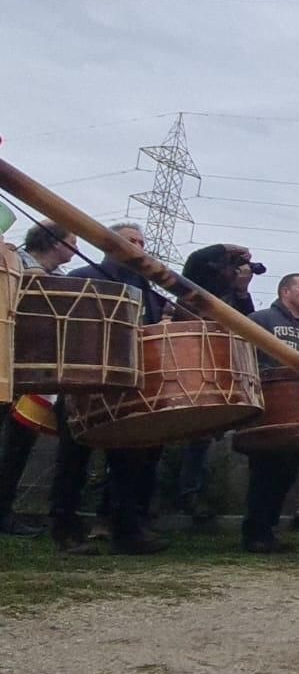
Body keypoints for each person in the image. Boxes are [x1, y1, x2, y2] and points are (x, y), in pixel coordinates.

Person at [50, 224, 173, 554]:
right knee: (73, 459)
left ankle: (127, 531)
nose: (137, 247)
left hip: (126, 385)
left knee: (127, 462)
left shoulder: (145, 286)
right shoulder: (82, 275)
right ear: (108, 243)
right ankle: (65, 531)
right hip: (84, 382)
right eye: (130, 240)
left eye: (142, 242)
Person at [0, 221, 79, 536]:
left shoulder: (61, 280)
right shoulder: (12, 262)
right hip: (9, 367)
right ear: (55, 242)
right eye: (72, 240)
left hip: (39, 375)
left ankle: (3, 511)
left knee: (18, 446)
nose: (76, 247)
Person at [240, 273, 299, 553]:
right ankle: (255, 532)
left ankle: (270, 530)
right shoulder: (261, 319)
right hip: (268, 407)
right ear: (285, 291)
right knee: (264, 471)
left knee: (287, 472)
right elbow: (242, 354)